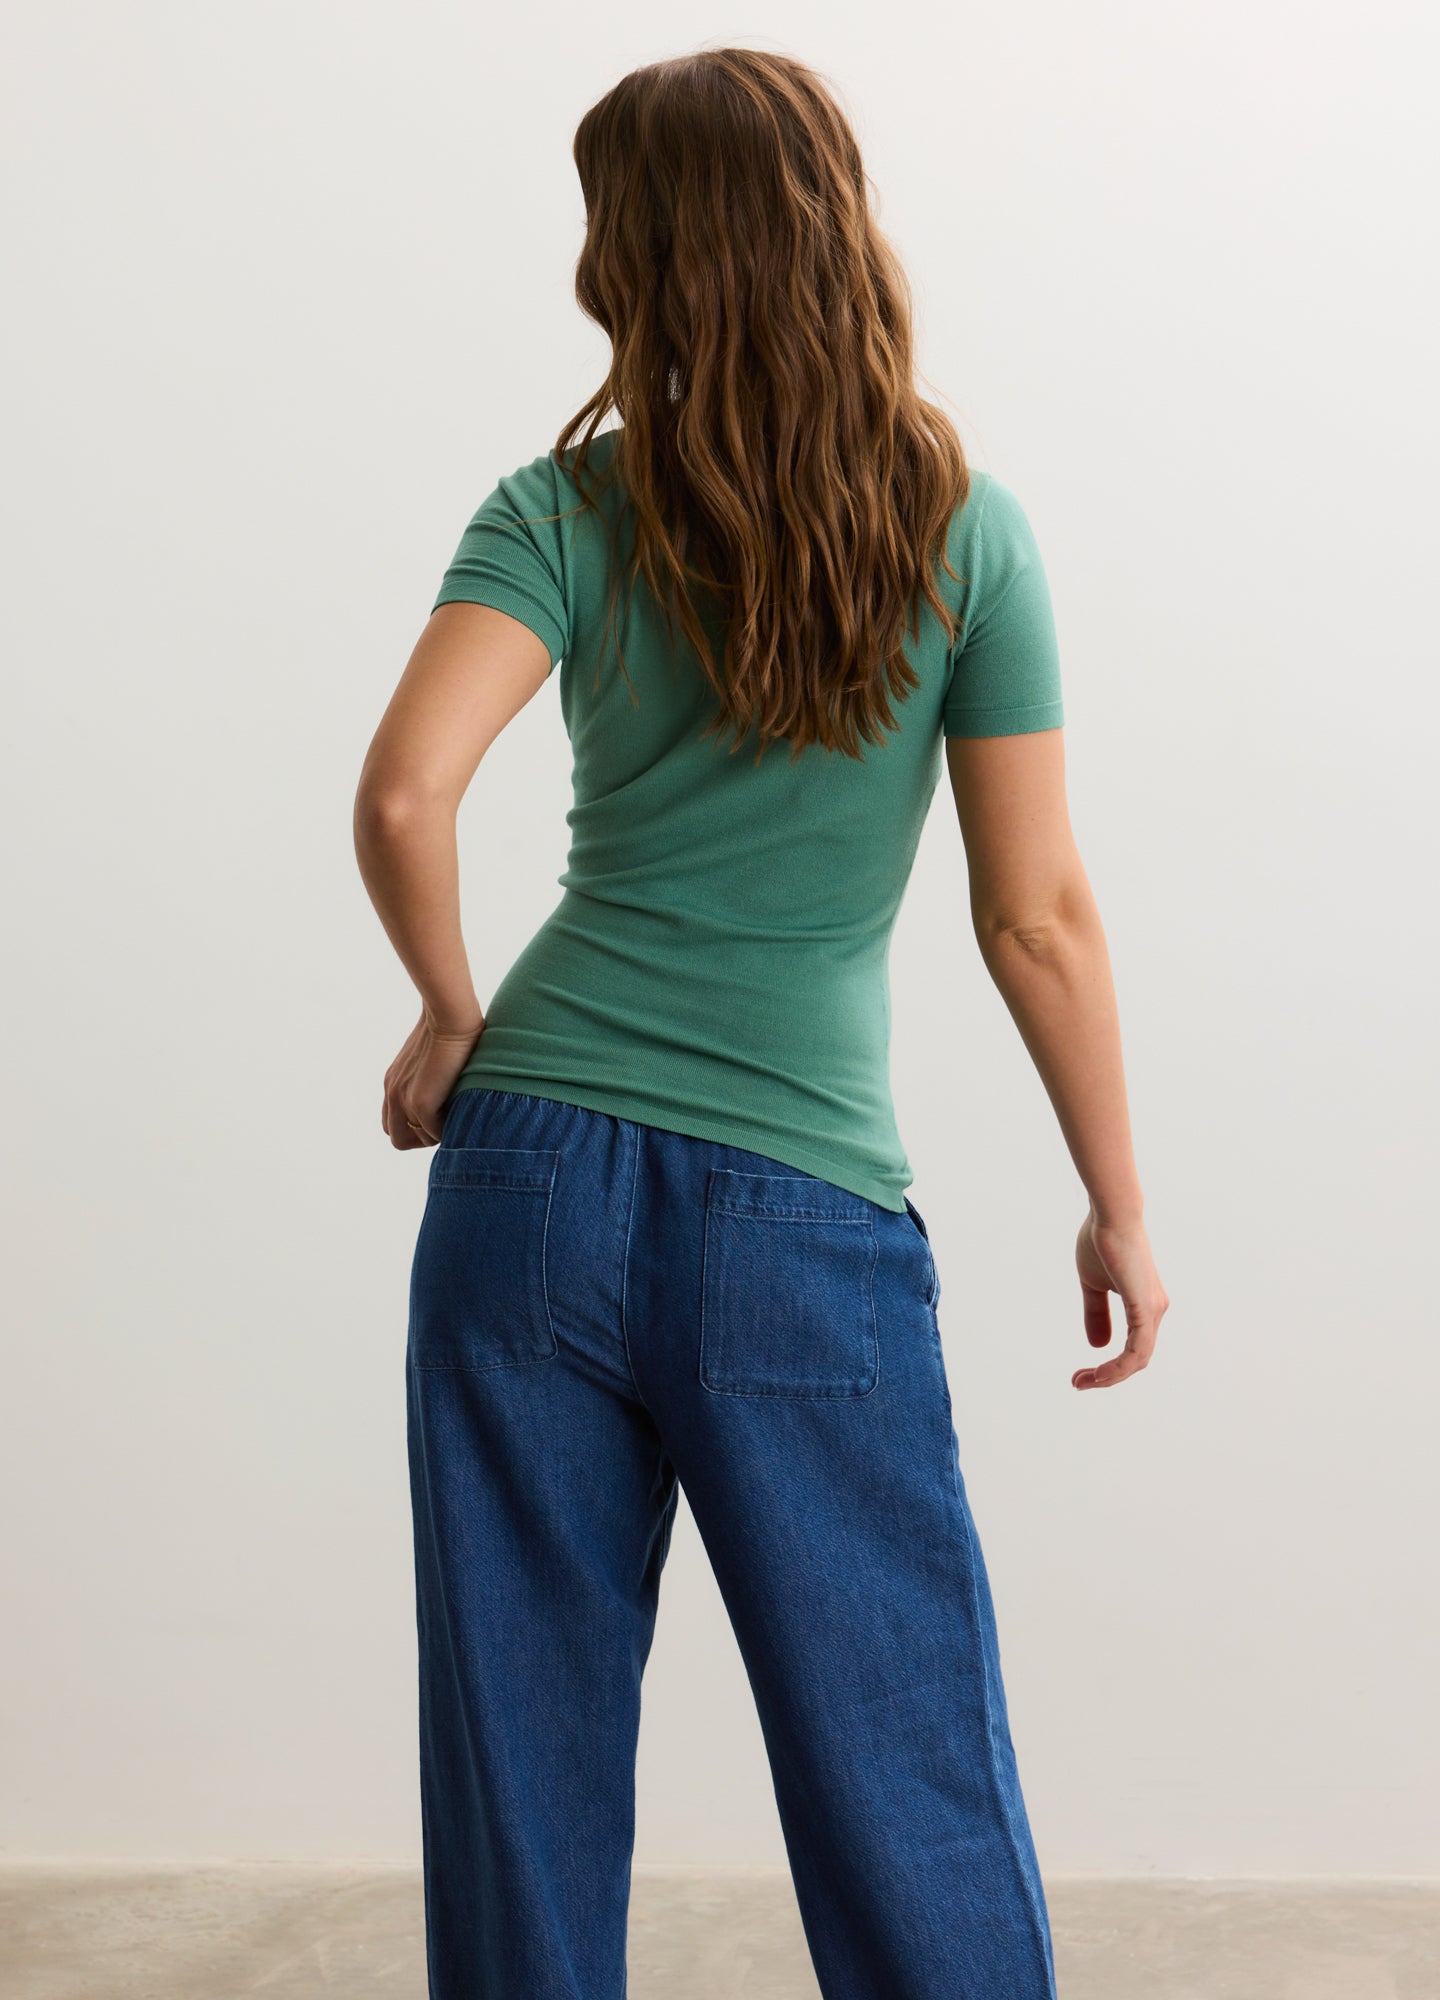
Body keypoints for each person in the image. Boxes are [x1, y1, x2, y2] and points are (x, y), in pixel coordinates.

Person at [354, 45, 1168, 2000]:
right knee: (907, 1769)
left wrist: (450, 1010)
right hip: (801, 1219)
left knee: (521, 1784)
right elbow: (1033, 912)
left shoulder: (561, 508)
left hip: (526, 1181)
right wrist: (1117, 1199)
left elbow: (403, 794)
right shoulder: (965, 532)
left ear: (633, 257)